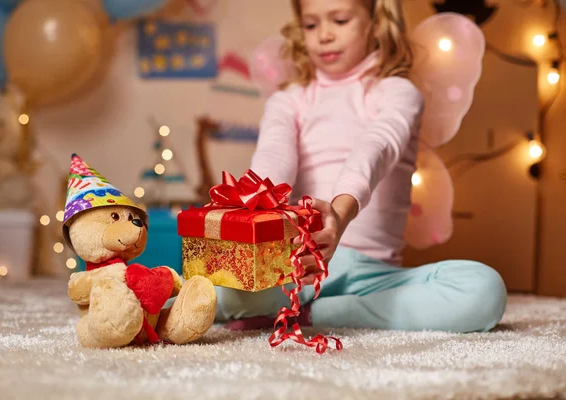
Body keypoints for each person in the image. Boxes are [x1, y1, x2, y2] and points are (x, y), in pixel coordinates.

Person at [216, 0, 507, 333]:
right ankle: (274, 305)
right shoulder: (288, 99)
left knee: (484, 290)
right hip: (297, 266)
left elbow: (376, 147)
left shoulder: (399, 93)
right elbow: (273, 157)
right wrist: (255, 207)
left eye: (339, 20)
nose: (324, 35)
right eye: (311, 25)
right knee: (230, 286)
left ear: (376, 22)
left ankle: (316, 315)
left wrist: (339, 215)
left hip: (375, 277)